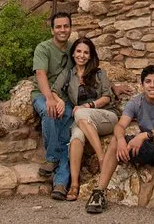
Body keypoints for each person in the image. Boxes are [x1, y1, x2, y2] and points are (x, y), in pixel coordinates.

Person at [85, 65, 154, 219]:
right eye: (148, 81)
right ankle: (99, 192)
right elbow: (120, 126)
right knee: (115, 141)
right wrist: (121, 140)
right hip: (148, 145)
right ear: (142, 84)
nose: (152, 85)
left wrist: (144, 135)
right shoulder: (136, 101)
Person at [50, 37, 118, 202]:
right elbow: (53, 91)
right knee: (76, 137)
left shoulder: (99, 73)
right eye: (79, 51)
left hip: (105, 116)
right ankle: (74, 185)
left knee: (79, 114)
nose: (82, 55)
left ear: (90, 55)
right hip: (83, 121)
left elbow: (107, 97)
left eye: (86, 52)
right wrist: (59, 101)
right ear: (73, 54)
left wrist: (88, 106)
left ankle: (101, 158)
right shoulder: (68, 74)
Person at [32, 12, 74, 200]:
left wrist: (112, 87)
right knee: (50, 113)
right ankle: (53, 161)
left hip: (66, 99)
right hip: (44, 95)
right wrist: (49, 98)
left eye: (66, 26)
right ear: (52, 30)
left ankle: (60, 183)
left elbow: (91, 68)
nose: (62, 30)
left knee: (66, 135)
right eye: (58, 27)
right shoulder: (43, 48)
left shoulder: (74, 48)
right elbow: (40, 74)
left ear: (70, 28)